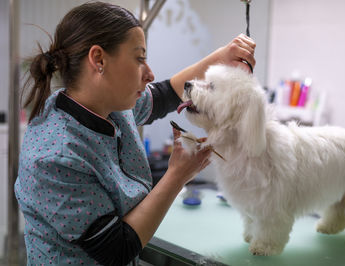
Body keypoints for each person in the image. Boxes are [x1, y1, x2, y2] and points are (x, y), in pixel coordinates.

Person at [15, 2, 256, 265]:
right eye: (139, 58)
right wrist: (177, 175)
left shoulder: (110, 105)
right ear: (99, 59)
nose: (150, 74)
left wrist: (223, 56)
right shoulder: (54, 158)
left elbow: (165, 95)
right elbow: (116, 249)